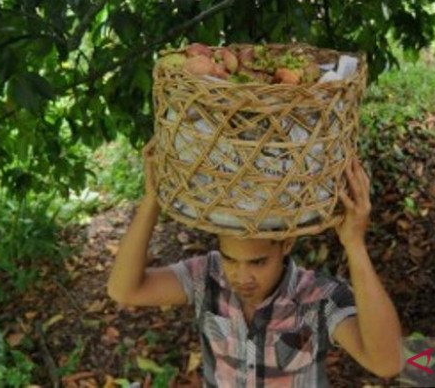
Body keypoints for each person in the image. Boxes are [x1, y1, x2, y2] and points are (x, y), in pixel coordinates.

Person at [107, 141, 403, 385]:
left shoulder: (317, 297)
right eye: (230, 259)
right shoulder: (207, 277)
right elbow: (125, 290)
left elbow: (386, 362)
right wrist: (151, 201)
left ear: (287, 243)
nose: (241, 276)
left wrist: (355, 244)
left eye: (258, 262)